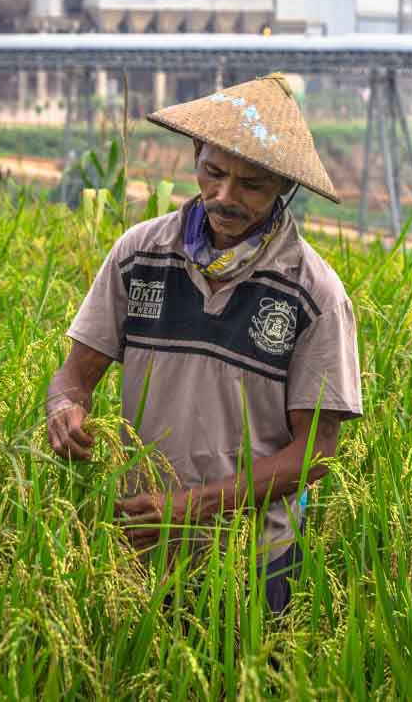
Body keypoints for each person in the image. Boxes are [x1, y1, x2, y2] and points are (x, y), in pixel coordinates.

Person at [45, 72, 363, 614]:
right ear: (195, 153)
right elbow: (76, 375)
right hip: (137, 547)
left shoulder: (313, 294)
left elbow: (315, 454)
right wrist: (64, 408)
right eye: (213, 172)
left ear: (285, 187)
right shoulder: (139, 255)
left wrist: (189, 507)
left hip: (251, 560)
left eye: (252, 185)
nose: (224, 196)